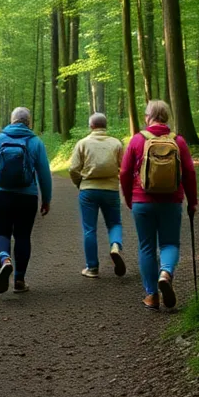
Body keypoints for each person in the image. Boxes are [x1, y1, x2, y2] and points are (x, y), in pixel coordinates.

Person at [119, 100, 198, 311]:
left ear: (148, 117)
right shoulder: (178, 141)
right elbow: (189, 173)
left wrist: (129, 198)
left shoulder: (137, 140)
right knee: (170, 244)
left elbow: (125, 173)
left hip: (142, 202)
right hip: (171, 201)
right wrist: (192, 202)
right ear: (167, 117)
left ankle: (152, 295)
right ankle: (166, 272)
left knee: (146, 247)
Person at [0, 107, 53, 294]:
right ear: (29, 122)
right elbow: (44, 174)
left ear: (11, 121)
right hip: (27, 196)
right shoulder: (35, 142)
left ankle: (4, 259)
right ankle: (19, 280)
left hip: (0, 194)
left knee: (0, 232)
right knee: (22, 236)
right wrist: (46, 199)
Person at [69, 113, 126, 278]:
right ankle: (115, 245)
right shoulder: (116, 143)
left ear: (91, 126)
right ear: (105, 126)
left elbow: (73, 169)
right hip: (111, 190)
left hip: (88, 190)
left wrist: (79, 183)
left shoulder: (83, 144)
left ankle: (92, 267)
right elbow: (123, 167)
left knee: (89, 229)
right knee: (114, 223)